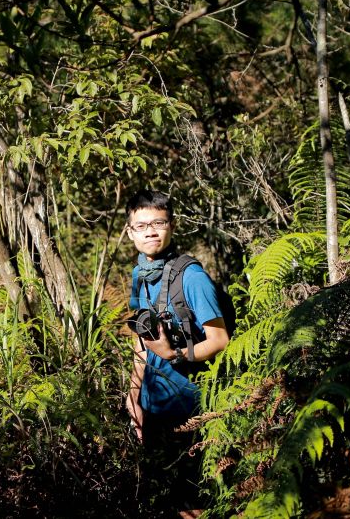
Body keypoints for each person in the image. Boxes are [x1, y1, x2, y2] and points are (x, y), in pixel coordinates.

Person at [124, 190, 229, 515]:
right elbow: (142, 340)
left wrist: (175, 355)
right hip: (154, 406)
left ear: (172, 226)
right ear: (130, 232)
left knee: (193, 502)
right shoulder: (139, 276)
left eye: (158, 223)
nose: (150, 231)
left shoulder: (193, 278)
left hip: (192, 407)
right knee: (163, 498)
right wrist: (134, 395)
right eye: (141, 226)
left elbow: (220, 339)